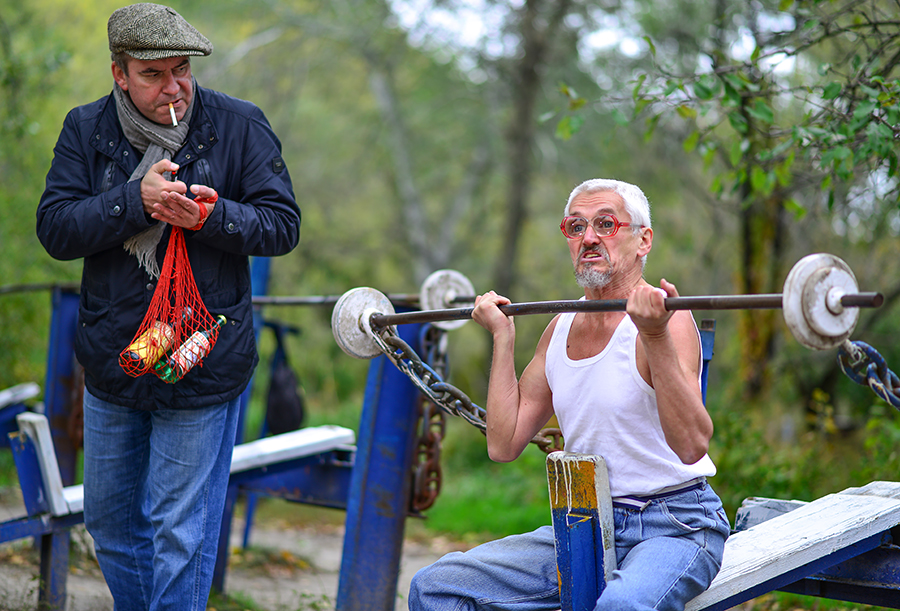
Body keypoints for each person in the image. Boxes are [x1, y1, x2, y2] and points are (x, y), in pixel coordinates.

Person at [35, 4, 300, 610]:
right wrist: (133, 200)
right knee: (109, 523)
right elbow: (54, 230)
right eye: (152, 74)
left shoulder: (239, 125)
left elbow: (282, 226)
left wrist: (213, 217)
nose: (173, 86)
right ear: (119, 73)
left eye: (181, 70)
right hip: (116, 358)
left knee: (180, 532)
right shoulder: (85, 129)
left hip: (205, 357)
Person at [408, 179, 730, 611]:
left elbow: (692, 446)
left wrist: (653, 334)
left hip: (676, 525)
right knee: (436, 587)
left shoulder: (666, 320)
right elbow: (504, 444)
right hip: (586, 522)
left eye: (606, 224)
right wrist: (502, 339)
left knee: (620, 607)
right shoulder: (559, 327)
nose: (589, 238)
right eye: (575, 227)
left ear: (643, 240)